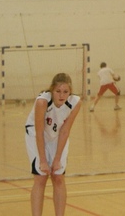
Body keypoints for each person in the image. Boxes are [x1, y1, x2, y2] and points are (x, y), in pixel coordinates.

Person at [25, 72, 82, 216]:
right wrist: (43, 161)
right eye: (58, 91)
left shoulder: (75, 102)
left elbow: (65, 131)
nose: (62, 95)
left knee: (58, 177)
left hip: (57, 135)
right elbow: (39, 132)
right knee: (41, 177)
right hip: (36, 134)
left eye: (65, 92)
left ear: (70, 91)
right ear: (52, 90)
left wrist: (57, 159)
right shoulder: (42, 101)